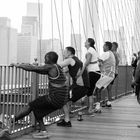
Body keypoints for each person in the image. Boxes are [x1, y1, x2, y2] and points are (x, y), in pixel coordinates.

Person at [10, 51, 69, 138]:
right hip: (61, 100)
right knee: (37, 109)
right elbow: (39, 69)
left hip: (55, 98)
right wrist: (31, 66)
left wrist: (18, 65)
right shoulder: (57, 67)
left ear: (49, 59)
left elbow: (33, 68)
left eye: (45, 58)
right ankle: (43, 131)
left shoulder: (51, 67)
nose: (44, 60)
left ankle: (11, 121)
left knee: (30, 105)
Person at [57, 46, 90, 127]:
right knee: (66, 99)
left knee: (64, 100)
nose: (63, 53)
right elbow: (68, 70)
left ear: (69, 53)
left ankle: (67, 120)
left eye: (65, 51)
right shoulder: (76, 60)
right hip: (82, 86)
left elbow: (58, 66)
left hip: (80, 86)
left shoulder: (70, 60)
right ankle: (66, 119)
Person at [77, 38, 101, 113]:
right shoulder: (92, 50)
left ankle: (90, 109)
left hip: (93, 73)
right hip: (95, 72)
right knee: (90, 90)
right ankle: (89, 106)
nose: (84, 42)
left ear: (89, 43)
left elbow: (87, 63)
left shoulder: (90, 50)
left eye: (86, 41)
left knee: (89, 91)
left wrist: (81, 72)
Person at [93, 41, 116, 112]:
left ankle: (97, 107)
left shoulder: (106, 53)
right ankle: (98, 105)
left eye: (104, 46)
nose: (103, 47)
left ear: (107, 47)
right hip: (111, 75)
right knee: (99, 89)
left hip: (107, 74)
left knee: (97, 88)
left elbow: (98, 61)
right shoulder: (111, 54)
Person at [105, 42, 120, 107]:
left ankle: (108, 101)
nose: (111, 47)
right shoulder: (116, 53)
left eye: (112, 46)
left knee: (107, 87)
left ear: (115, 47)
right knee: (108, 87)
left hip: (112, 72)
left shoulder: (113, 53)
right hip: (115, 72)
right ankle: (108, 101)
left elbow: (116, 63)